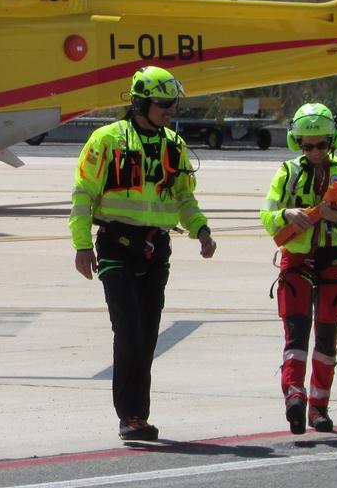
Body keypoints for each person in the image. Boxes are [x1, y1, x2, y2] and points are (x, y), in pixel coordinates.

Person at [70, 66, 217, 441]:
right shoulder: (106, 139)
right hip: (116, 246)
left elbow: (184, 196)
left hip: (156, 250)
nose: (170, 110)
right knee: (129, 331)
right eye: (164, 104)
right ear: (141, 103)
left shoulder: (174, 144)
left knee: (148, 335)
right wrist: (82, 245)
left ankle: (139, 415)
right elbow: (83, 195)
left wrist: (201, 229)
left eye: (172, 104)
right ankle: (130, 416)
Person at [260, 103, 337, 434]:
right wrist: (285, 216)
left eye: (321, 144)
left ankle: (319, 407)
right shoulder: (287, 172)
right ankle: (295, 395)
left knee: (326, 338)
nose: (315, 151)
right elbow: (267, 215)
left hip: (335, 263)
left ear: (332, 140)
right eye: (307, 145)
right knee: (295, 335)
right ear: (298, 144)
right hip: (296, 263)